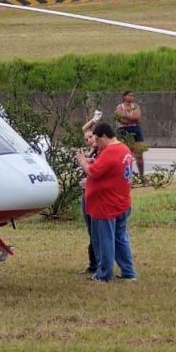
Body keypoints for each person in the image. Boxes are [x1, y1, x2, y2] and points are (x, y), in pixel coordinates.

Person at [75, 123, 137, 283]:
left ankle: (104, 273)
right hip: (121, 201)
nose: (95, 143)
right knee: (120, 237)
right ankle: (128, 272)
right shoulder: (123, 149)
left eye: (97, 139)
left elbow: (93, 172)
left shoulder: (110, 151)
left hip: (106, 204)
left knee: (105, 240)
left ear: (104, 137)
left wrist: (83, 161)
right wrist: (91, 160)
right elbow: (105, 167)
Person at [79, 109, 103, 274]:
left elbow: (98, 173)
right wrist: (93, 119)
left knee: (96, 232)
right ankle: (93, 264)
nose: (88, 140)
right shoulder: (94, 152)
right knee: (91, 230)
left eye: (91, 137)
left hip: (95, 195)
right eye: (87, 139)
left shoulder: (102, 152)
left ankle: (98, 264)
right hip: (86, 194)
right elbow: (84, 129)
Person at [114, 91, 145, 179]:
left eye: (133, 96)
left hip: (136, 129)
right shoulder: (120, 107)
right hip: (123, 130)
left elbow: (137, 118)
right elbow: (121, 121)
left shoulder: (135, 106)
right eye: (129, 95)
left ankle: (142, 176)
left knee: (139, 155)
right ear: (124, 97)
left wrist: (125, 116)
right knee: (125, 155)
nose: (131, 97)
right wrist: (132, 118)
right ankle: (125, 177)